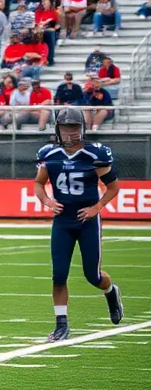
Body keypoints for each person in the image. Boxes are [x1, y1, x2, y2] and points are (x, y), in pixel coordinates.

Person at [33, 108, 124, 343]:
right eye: (66, 128)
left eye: (74, 128)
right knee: (58, 275)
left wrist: (96, 207)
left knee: (92, 276)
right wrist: (47, 201)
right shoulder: (48, 154)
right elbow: (39, 184)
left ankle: (111, 291)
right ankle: (61, 325)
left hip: (87, 222)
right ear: (58, 129)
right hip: (63, 221)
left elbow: (113, 187)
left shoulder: (94, 154)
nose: (70, 133)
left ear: (82, 129)